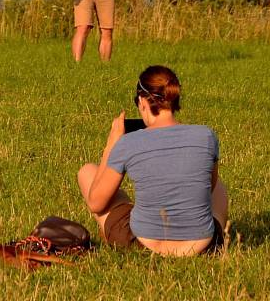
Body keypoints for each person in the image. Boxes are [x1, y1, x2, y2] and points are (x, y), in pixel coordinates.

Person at [77, 65, 229, 256]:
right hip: (201, 247)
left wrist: (111, 144)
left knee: (87, 171)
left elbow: (96, 203)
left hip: (141, 244)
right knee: (220, 188)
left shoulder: (128, 142)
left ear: (142, 101)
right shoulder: (206, 136)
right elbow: (211, 186)